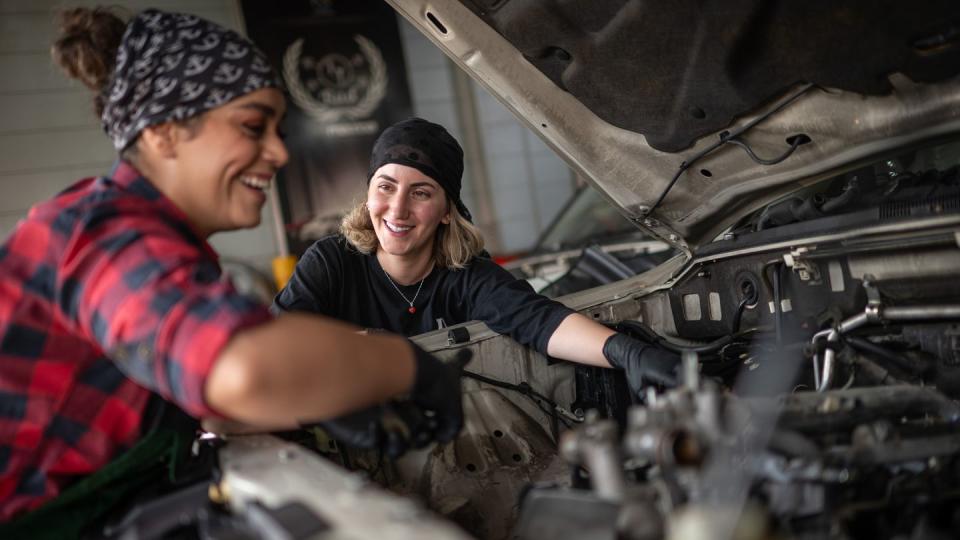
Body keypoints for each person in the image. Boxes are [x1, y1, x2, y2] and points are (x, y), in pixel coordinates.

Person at [0, 8, 462, 531]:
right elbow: (239, 368)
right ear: (165, 132)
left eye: (278, 129)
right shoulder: (107, 233)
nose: (279, 153)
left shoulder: (145, 240)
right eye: (251, 126)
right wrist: (405, 364)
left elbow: (205, 397)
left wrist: (322, 397)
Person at [274, 117, 679, 401]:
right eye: (386, 187)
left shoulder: (466, 276)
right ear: (369, 195)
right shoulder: (330, 263)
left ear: (447, 210)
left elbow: (539, 320)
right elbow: (274, 343)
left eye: (421, 192)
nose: (397, 210)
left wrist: (627, 353)